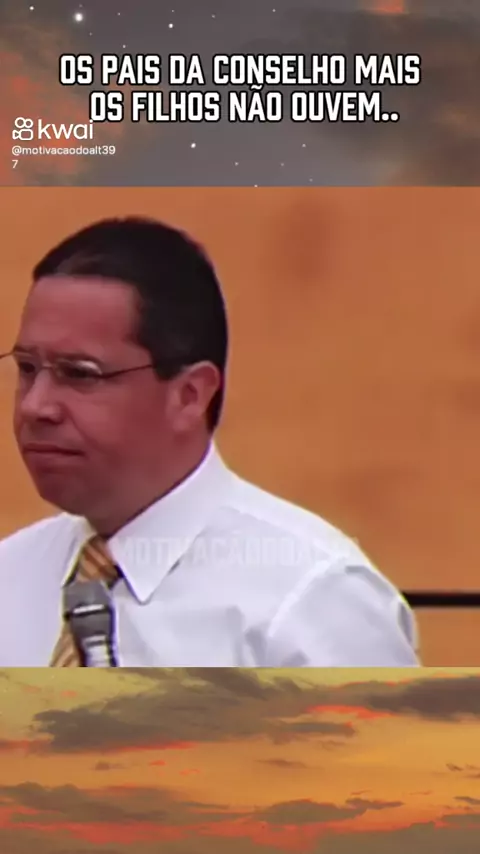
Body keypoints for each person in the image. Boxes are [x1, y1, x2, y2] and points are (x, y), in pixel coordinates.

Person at [0, 216, 419, 667]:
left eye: (80, 374)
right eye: (27, 369)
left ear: (190, 395)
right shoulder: (12, 575)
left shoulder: (313, 600)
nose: (35, 406)